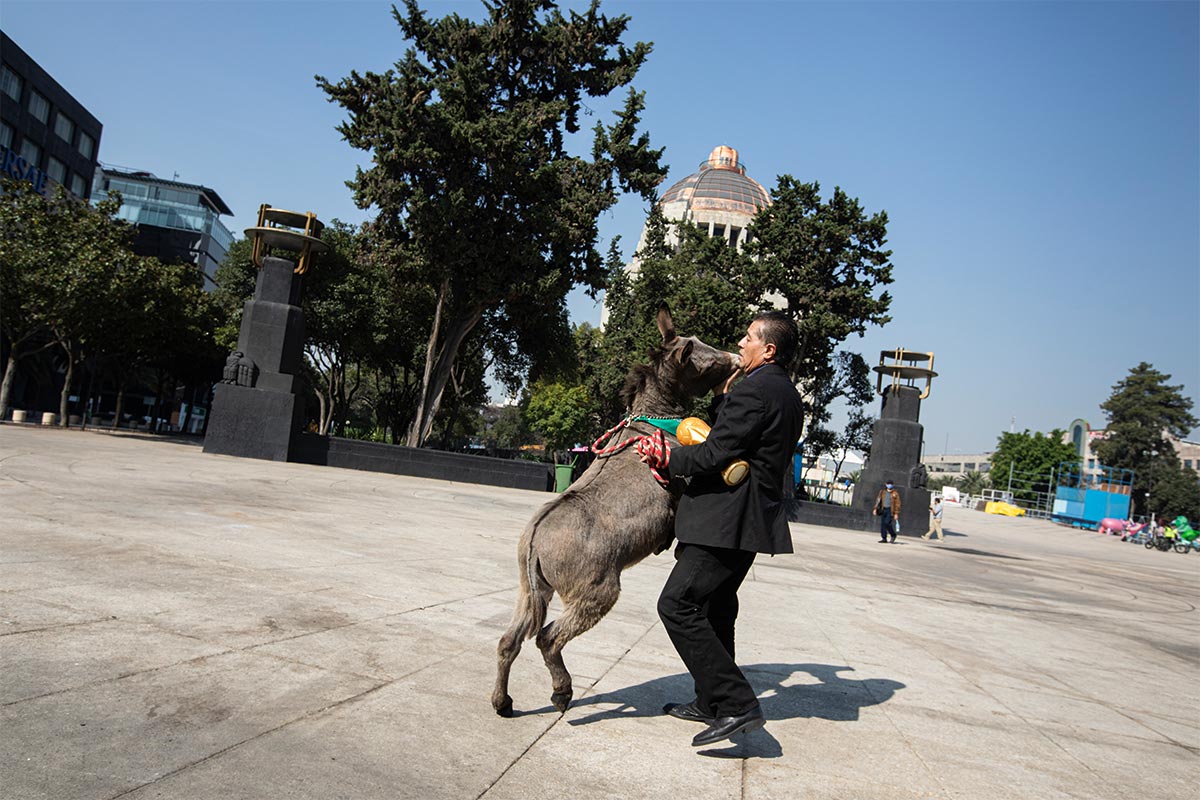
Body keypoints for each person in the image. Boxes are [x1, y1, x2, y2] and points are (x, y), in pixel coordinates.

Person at [635, 311, 804, 747]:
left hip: (725, 521)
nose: (740, 344)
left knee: (678, 605)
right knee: (716, 608)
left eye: (748, 338)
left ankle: (737, 704)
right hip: (746, 520)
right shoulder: (782, 392)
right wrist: (721, 394)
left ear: (768, 350)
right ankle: (711, 701)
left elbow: (713, 453)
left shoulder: (756, 391)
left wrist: (668, 460)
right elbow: (737, 438)